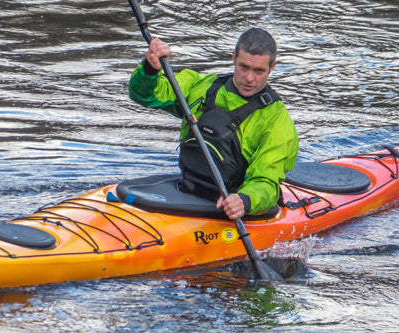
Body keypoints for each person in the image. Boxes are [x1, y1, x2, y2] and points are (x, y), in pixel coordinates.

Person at [128, 28, 299, 220]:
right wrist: (150, 69)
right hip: (186, 191)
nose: (249, 78)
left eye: (259, 71)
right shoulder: (199, 86)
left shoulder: (277, 122)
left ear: (272, 66)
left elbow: (267, 183)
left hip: (230, 206)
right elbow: (144, 95)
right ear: (233, 58)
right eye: (244, 67)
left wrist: (244, 200)